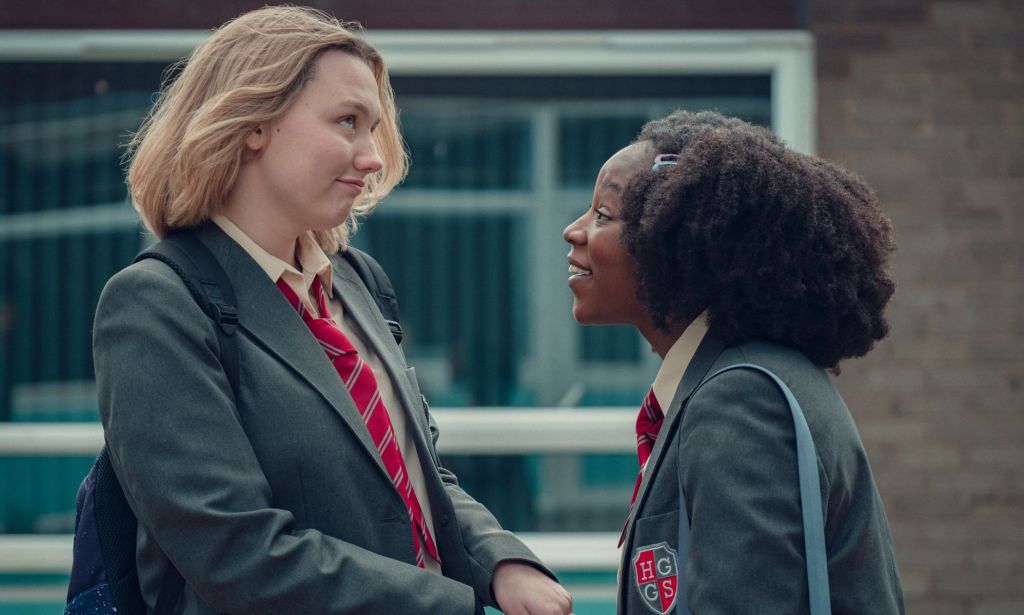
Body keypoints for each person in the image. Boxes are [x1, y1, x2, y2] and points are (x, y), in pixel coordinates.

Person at [93, 6, 572, 614]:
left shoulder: (356, 281)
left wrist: (501, 561)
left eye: (373, 128)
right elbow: (234, 555)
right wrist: (451, 604)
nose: (373, 158)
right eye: (348, 122)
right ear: (253, 122)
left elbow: (414, 475)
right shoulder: (157, 304)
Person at [563, 110, 905, 614]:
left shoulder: (741, 401)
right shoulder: (739, 380)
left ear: (675, 240)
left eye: (603, 215)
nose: (573, 231)